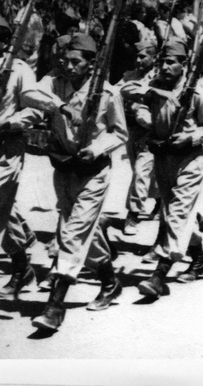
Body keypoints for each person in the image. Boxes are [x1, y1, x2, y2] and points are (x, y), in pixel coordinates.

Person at [23, 33, 128, 331]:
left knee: (71, 235)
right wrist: (59, 106)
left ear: (91, 64)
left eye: (76, 62)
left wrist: (95, 148)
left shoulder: (107, 93)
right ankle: (110, 281)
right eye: (66, 60)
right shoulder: (54, 83)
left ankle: (55, 306)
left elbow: (120, 133)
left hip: (93, 172)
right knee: (85, 234)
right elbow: (29, 93)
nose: (69, 66)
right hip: (64, 169)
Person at [121, 37, 203, 296]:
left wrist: (190, 136)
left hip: (188, 160)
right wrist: (148, 118)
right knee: (174, 215)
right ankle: (198, 259)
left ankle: (159, 275)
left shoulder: (195, 92)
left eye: (170, 62)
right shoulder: (152, 86)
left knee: (176, 215)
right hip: (162, 158)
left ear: (184, 65)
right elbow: (132, 96)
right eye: (162, 61)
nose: (164, 67)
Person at [0, 16, 44, 300]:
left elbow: (35, 110)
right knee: (3, 208)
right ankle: (22, 265)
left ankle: (20, 267)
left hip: (6, 147)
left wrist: (10, 123)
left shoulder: (19, 70)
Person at [118, 40, 159, 236]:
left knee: (141, 174)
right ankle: (163, 202)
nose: (138, 60)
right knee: (142, 172)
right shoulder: (129, 76)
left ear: (154, 58)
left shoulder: (160, 78)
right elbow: (117, 92)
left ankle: (133, 214)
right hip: (133, 131)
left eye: (143, 56)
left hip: (151, 133)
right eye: (137, 56)